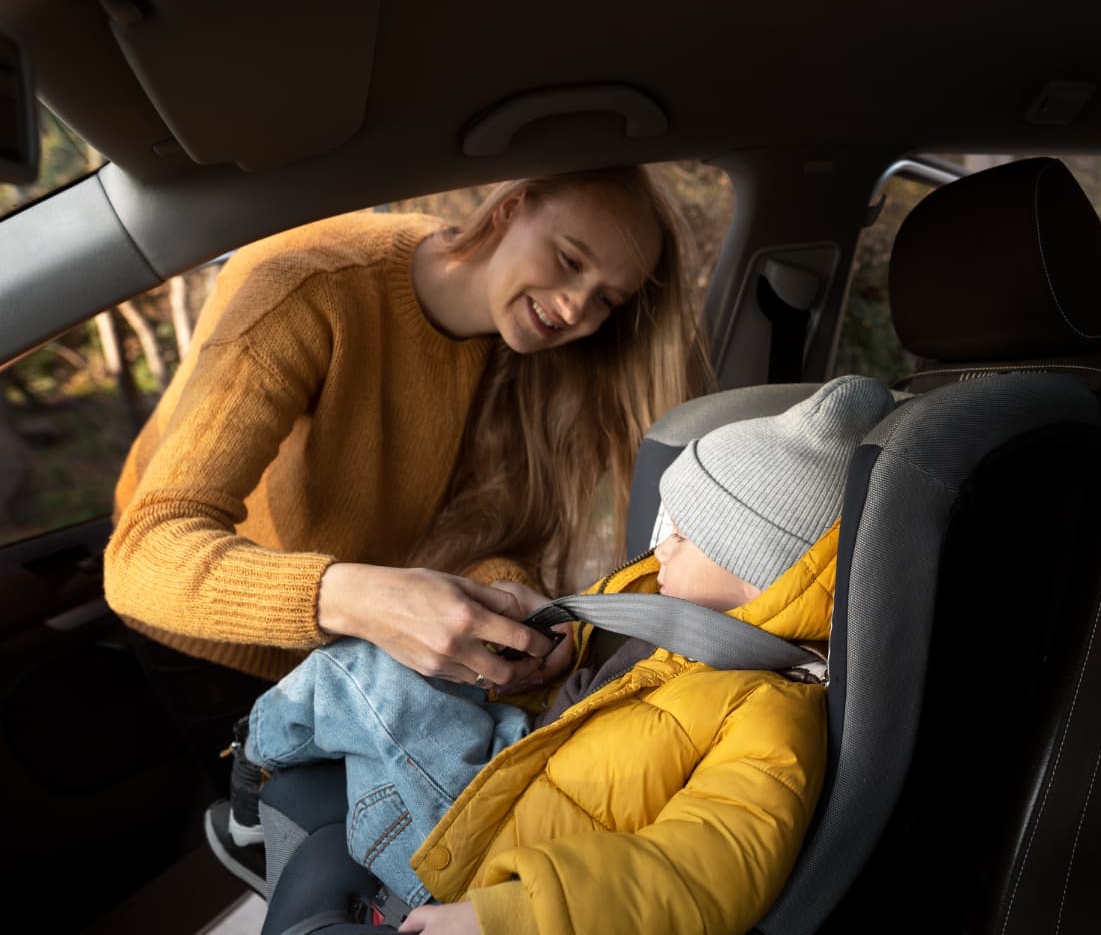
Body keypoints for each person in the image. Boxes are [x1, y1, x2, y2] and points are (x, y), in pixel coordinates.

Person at [104, 167, 713, 799]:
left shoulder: (535, 355)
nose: (573, 308)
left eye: (607, 299)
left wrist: (507, 604)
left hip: (348, 644)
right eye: (567, 260)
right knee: (271, 828)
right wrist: (366, 602)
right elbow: (143, 556)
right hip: (209, 624)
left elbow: (485, 529)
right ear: (512, 207)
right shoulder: (313, 286)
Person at [247, 374, 894, 935]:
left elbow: (703, 869)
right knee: (392, 666)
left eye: (687, 536)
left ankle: (254, 766)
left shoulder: (771, 713)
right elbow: (598, 694)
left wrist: (517, 914)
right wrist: (548, 644)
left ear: (758, 573)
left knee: (365, 676)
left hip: (486, 860)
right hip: (520, 771)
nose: (661, 547)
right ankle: (266, 762)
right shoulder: (662, 605)